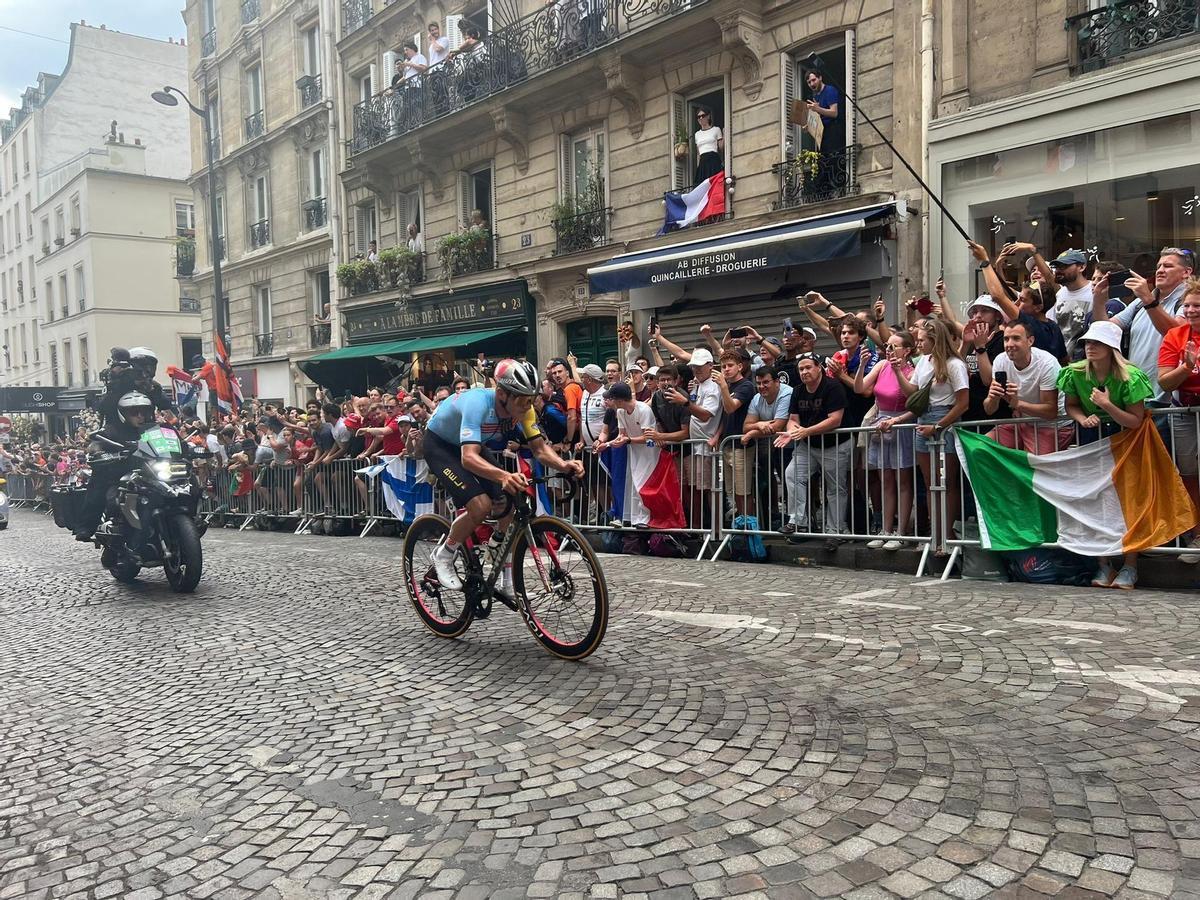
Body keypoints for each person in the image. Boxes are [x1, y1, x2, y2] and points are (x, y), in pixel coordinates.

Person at [424, 359, 583, 591]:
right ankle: (445, 554)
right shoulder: (478, 403)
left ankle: (504, 573)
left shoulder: (524, 410)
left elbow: (539, 449)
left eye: (530, 398)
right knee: (480, 505)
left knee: (509, 502)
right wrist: (503, 476)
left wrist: (564, 465)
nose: (527, 405)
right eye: (521, 398)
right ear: (501, 394)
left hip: (472, 447)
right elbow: (468, 457)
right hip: (440, 446)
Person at [1058, 320, 1152, 589]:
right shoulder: (1075, 372)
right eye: (1087, 342)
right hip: (1092, 438)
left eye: (1097, 343)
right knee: (1097, 499)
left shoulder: (1129, 376)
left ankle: (1130, 566)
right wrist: (1083, 418)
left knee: (1127, 501)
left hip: (1126, 439)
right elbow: (1071, 406)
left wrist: (1107, 405)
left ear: (1111, 348)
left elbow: (1136, 419)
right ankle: (1104, 565)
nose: (1090, 347)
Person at [900, 318, 969, 548]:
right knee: (930, 482)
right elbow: (913, 391)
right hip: (923, 419)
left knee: (946, 481)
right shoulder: (924, 362)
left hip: (945, 420)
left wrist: (938, 426)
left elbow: (963, 403)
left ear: (934, 340)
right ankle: (935, 533)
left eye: (922, 340)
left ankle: (946, 533)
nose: (918, 344)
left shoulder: (954, 364)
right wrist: (897, 370)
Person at [1095, 247, 1194, 405]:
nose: (1160, 271)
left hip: (1168, 400)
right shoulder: (1140, 301)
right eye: (1158, 267)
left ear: (1186, 272)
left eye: (1168, 266)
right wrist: (1099, 299)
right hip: (1138, 395)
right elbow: (1106, 330)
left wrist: (1148, 299)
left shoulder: (1188, 302)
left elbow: (1177, 334)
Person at [774, 353, 848, 549]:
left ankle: (836, 530)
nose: (804, 372)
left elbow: (835, 420)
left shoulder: (833, 387)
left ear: (819, 368)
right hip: (808, 444)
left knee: (835, 488)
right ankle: (798, 520)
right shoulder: (797, 391)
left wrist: (806, 431)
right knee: (792, 474)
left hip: (835, 444)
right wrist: (792, 431)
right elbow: (792, 419)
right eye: (801, 369)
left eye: (808, 367)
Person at [856, 331, 917, 551]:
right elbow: (860, 388)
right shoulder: (881, 366)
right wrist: (863, 364)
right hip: (880, 426)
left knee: (903, 480)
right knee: (886, 481)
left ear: (907, 350)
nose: (889, 351)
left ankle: (901, 532)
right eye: (887, 346)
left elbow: (915, 403)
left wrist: (899, 370)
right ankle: (885, 529)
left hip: (901, 425)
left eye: (894, 347)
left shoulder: (913, 371)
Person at [1156, 280, 1200, 563]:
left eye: (1197, 305)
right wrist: (1185, 367)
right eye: (1187, 305)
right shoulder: (1175, 335)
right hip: (1184, 410)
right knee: (1189, 473)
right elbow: (1164, 380)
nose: (1191, 310)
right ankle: (1196, 535)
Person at [980, 320, 1073, 453]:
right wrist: (993, 398)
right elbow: (989, 410)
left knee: (1034, 464)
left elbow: (1050, 411)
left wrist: (1016, 403)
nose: (1010, 344)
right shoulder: (1001, 360)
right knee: (981, 448)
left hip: (1053, 426)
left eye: (1016, 338)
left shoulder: (1047, 363)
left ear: (1030, 341)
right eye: (1006, 339)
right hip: (1023, 423)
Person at [73, 392, 154, 541]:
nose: (140, 416)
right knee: (104, 494)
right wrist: (99, 452)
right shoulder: (111, 430)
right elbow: (95, 445)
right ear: (124, 414)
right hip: (120, 475)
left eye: (144, 412)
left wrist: (187, 448)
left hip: (152, 475)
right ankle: (87, 526)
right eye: (135, 413)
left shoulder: (153, 430)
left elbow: (173, 443)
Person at [712, 349, 757, 517]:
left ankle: (748, 528)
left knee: (743, 490)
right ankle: (740, 524)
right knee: (732, 490)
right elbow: (724, 415)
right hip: (727, 443)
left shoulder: (746, 385)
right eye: (723, 366)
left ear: (740, 366)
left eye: (730, 365)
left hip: (742, 444)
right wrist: (717, 436)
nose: (726, 369)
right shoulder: (729, 386)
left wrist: (723, 386)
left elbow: (731, 407)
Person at [692, 106, 723, 184]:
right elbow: (698, 154)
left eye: (703, 115)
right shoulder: (697, 134)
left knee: (714, 184)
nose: (701, 118)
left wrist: (725, 133)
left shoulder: (716, 129)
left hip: (713, 160)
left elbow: (721, 147)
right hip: (703, 162)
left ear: (708, 116)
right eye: (699, 117)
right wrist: (698, 168)